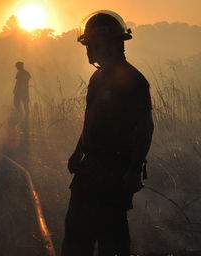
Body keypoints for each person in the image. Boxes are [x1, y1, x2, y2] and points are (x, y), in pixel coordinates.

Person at [61, 10, 154, 256]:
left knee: (111, 237)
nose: (91, 51)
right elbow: (92, 120)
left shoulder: (133, 80)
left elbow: (145, 127)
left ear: (113, 44)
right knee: (77, 234)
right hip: (90, 168)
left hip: (115, 171)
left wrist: (134, 170)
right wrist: (77, 153)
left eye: (93, 45)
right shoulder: (97, 78)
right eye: (90, 46)